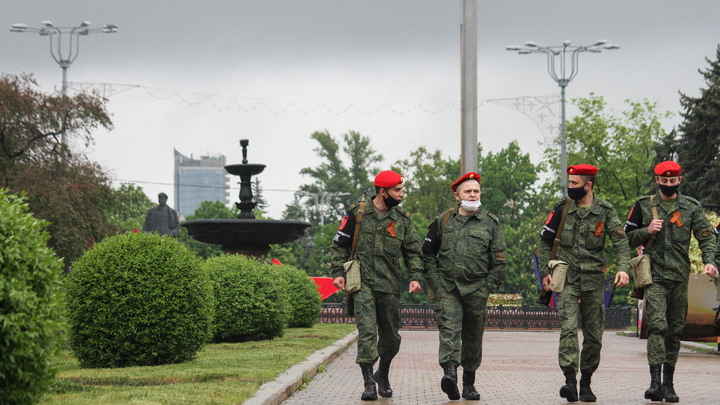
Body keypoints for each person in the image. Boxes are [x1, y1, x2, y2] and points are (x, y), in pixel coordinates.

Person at [625, 160, 717, 403]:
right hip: (654, 276)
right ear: (657, 180)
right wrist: (646, 231)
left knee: (674, 330)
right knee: (657, 326)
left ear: (679, 181)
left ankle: (668, 384)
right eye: (663, 181)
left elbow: (706, 237)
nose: (667, 184)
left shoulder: (691, 207)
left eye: (672, 181)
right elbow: (625, 238)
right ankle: (654, 383)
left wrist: (709, 261)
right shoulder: (643, 205)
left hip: (678, 277)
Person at [538, 164, 631, 403]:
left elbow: (621, 242)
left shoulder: (605, 211)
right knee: (568, 328)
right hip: (566, 278)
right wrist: (544, 272)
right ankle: (570, 380)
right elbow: (545, 242)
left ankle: (586, 380)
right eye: (569, 183)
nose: (570, 187)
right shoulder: (562, 209)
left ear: (588, 185)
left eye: (575, 184)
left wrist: (623, 267)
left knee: (593, 335)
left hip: (593, 280)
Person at [330, 170, 423, 401]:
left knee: (391, 336)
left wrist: (415, 277)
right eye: (397, 190)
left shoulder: (402, 221)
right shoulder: (357, 214)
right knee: (367, 332)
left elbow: (413, 253)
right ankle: (368, 382)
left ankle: (383, 373)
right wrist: (338, 272)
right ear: (383, 191)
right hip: (362, 284)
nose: (401, 194)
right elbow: (340, 245)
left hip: (390, 285)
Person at [421, 172, 506, 401]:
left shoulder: (491, 222)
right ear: (458, 195)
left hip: (477, 289)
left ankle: (469, 383)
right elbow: (427, 253)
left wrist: (487, 286)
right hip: (447, 287)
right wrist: (436, 283)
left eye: (476, 191)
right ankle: (450, 375)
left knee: (473, 336)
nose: (472, 194)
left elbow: (499, 261)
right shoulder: (444, 220)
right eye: (468, 191)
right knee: (449, 329)